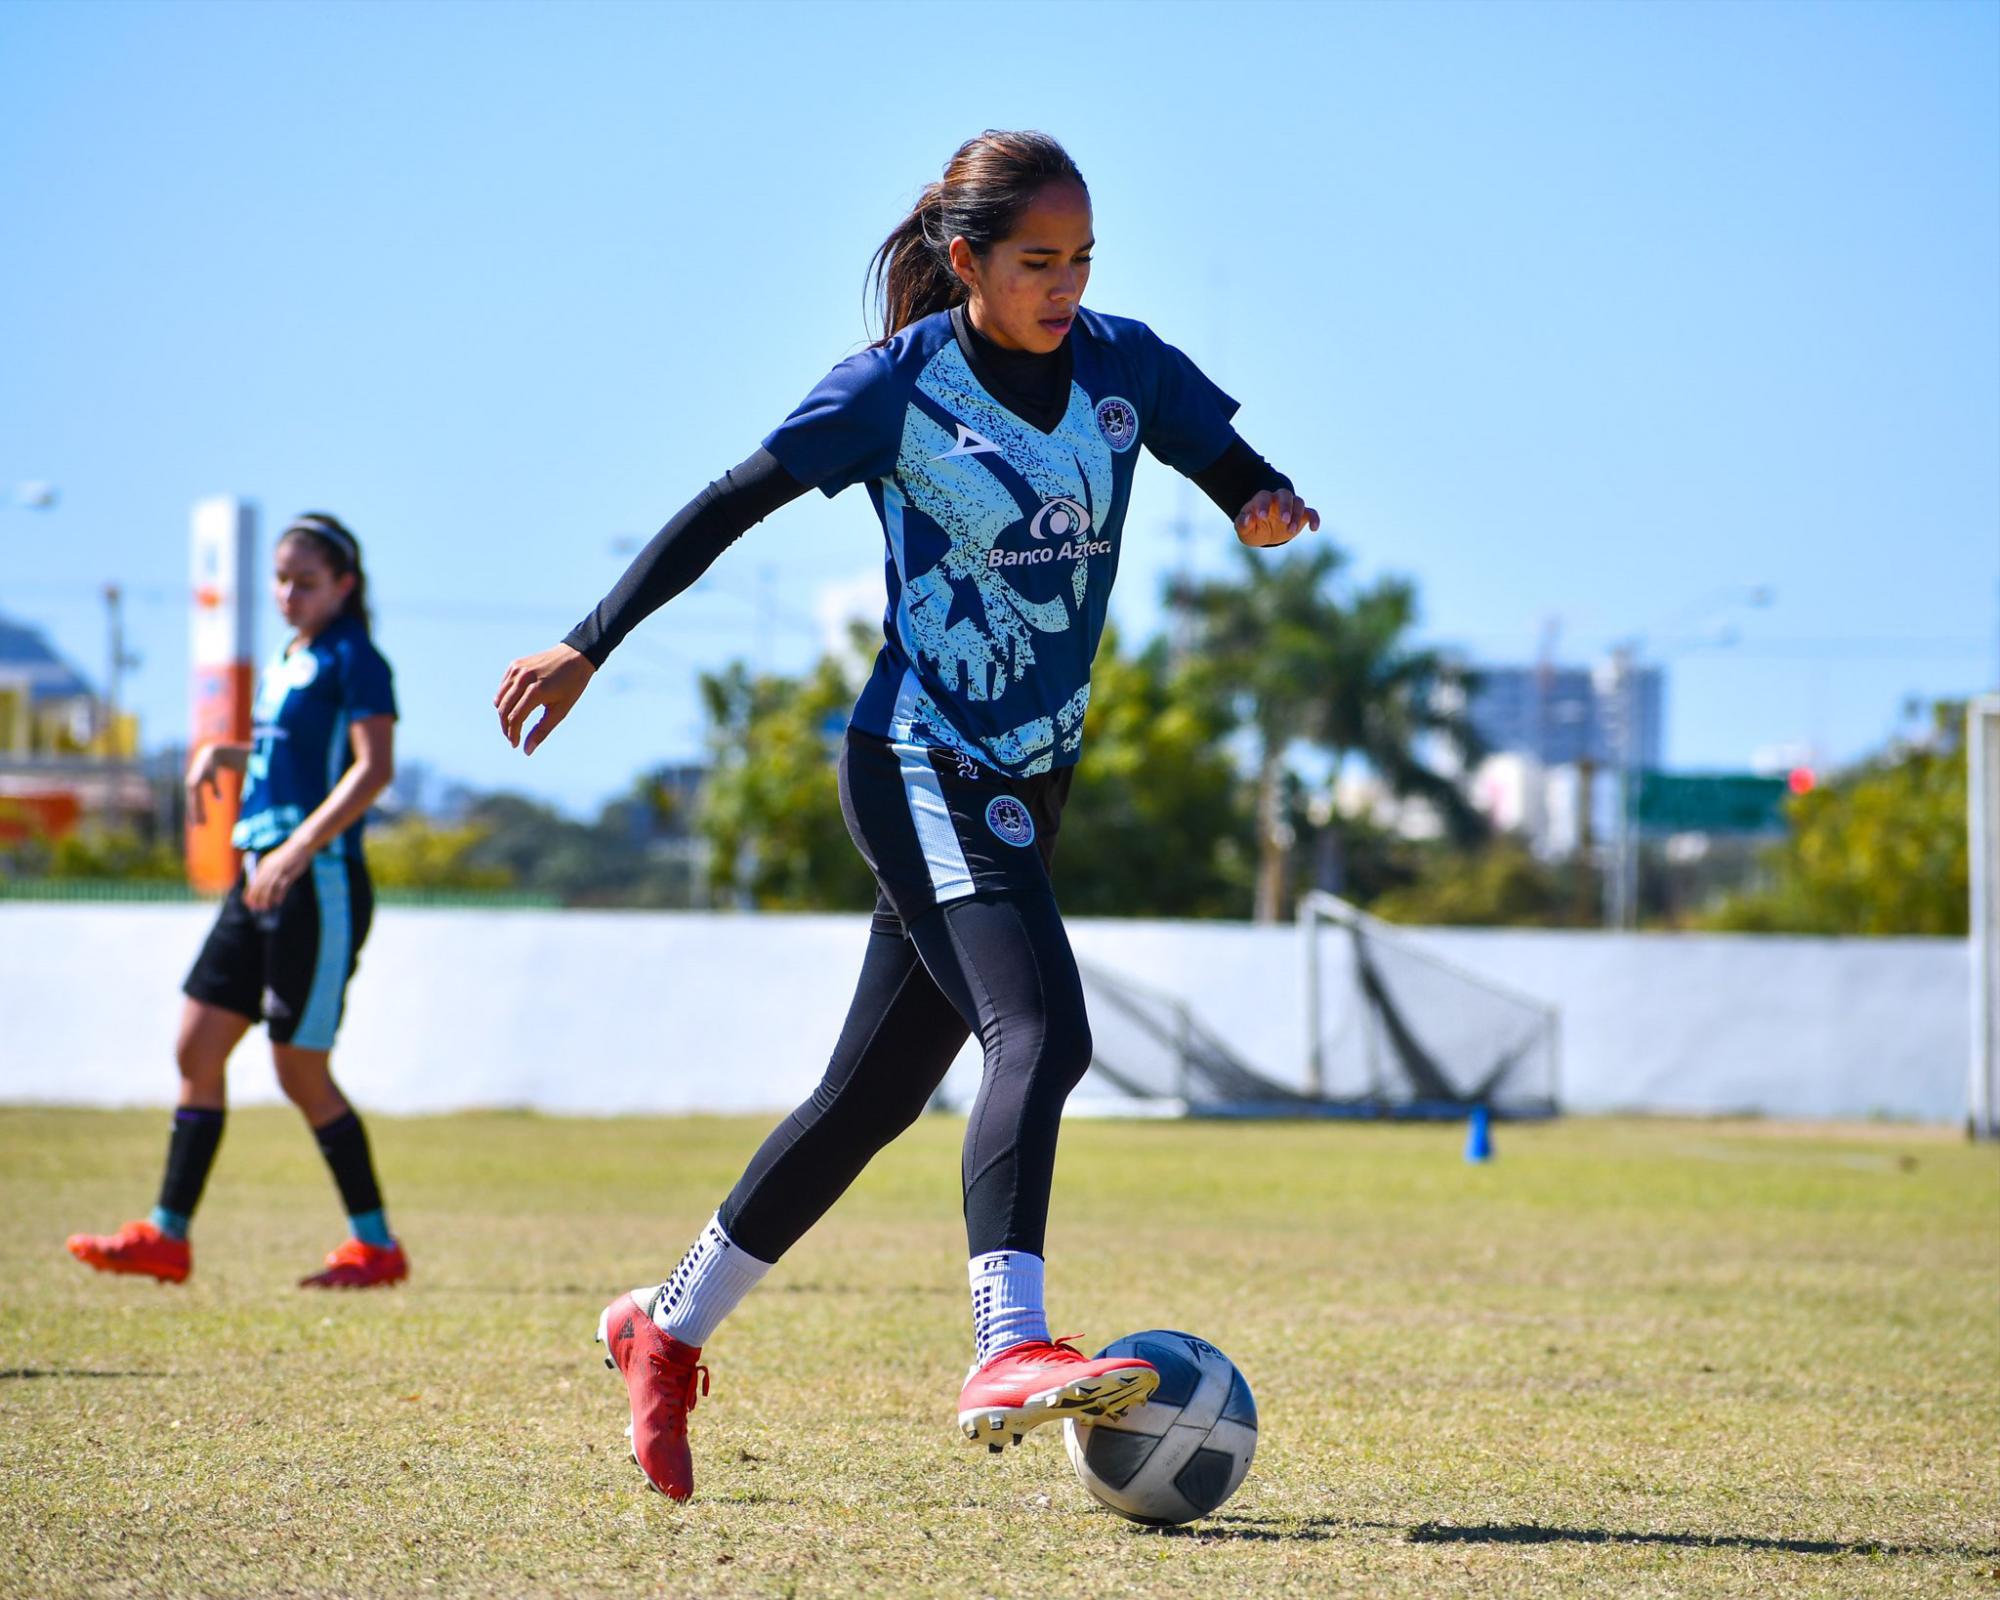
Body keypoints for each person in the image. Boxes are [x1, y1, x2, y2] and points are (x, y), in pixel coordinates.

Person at [494, 130, 1318, 1501]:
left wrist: (1261, 504)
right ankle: (1005, 1343)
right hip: (923, 757)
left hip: (1029, 772)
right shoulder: (898, 388)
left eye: (1082, 259)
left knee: (872, 1094)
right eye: (1037, 262)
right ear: (966, 261)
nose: (1066, 286)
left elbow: (1220, 456)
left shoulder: (1125, 364)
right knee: (1043, 1032)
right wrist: (590, 642)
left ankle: (667, 1322)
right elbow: (727, 505)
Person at [67, 514, 409, 1290]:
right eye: (281, 579)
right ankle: (167, 1236)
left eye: (306, 581)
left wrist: (297, 850)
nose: (288, 593)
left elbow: (372, 769)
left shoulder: (358, 657)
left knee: (299, 1072)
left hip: (314, 881)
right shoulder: (295, 658)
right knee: (195, 1048)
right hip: (254, 879)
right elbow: (291, 751)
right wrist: (227, 754)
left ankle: (377, 1246)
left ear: (344, 585)